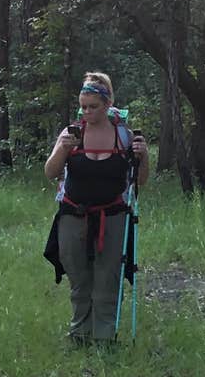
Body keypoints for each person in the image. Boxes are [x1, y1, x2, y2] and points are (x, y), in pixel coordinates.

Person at [43, 71, 149, 344]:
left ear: (108, 104)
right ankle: (79, 334)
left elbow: (139, 181)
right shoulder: (71, 133)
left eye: (93, 107)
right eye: (83, 107)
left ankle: (105, 338)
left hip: (113, 214)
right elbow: (50, 172)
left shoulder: (124, 136)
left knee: (108, 277)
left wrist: (144, 156)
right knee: (79, 277)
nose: (87, 112)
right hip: (73, 214)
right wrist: (62, 149)